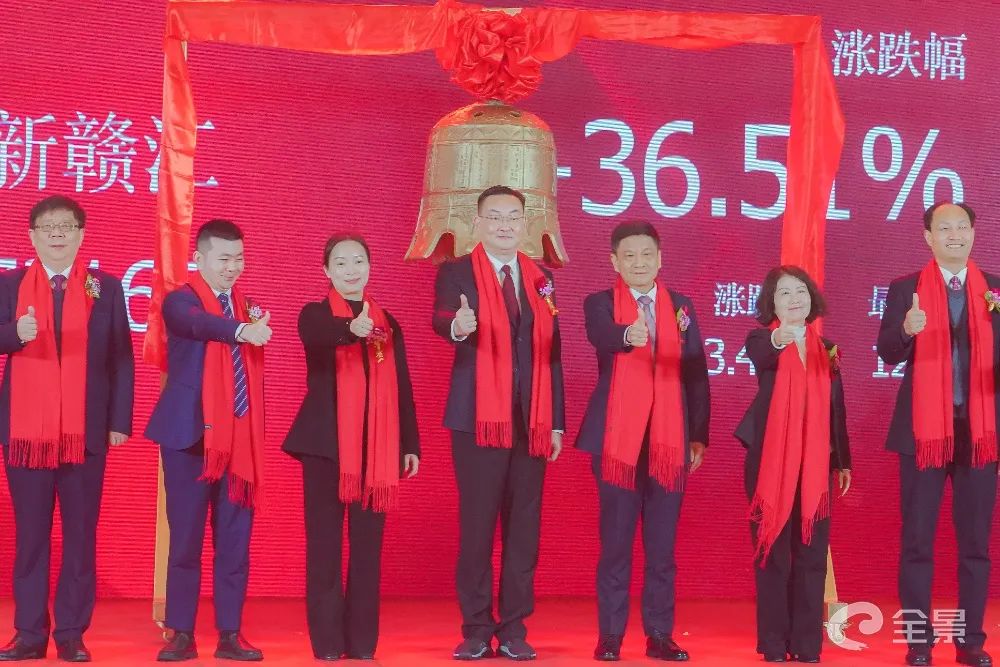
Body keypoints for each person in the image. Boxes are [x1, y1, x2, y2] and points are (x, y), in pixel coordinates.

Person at [432, 185, 565, 661]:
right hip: (477, 420)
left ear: (525, 224)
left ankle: (513, 628)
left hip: (531, 421)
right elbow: (441, 318)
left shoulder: (541, 279)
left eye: (513, 217)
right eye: (495, 217)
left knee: (523, 529)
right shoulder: (456, 272)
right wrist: (458, 326)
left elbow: (552, 353)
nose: (505, 225)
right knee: (478, 527)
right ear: (479, 223)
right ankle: (475, 628)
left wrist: (555, 423)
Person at [0, 195, 134, 663]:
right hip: (26, 437)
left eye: (66, 225)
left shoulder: (105, 287)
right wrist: (14, 334)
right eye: (47, 226)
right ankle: (29, 633)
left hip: (86, 434)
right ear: (32, 236)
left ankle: (72, 633)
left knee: (80, 537)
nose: (57, 233)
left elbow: (121, 357)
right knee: (31, 537)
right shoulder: (9, 284)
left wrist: (118, 421)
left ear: (81, 234)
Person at [282, 234, 420, 660]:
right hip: (325, 448)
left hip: (377, 449)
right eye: (341, 263)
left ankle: (362, 644)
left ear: (370, 266)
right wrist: (350, 328)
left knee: (367, 552)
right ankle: (327, 643)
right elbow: (316, 335)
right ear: (326, 271)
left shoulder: (387, 321)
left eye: (358, 261)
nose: (351, 270)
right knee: (324, 548)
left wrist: (409, 443)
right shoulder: (315, 314)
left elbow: (402, 385)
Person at [576, 221, 709, 662]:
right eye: (629, 255)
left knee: (661, 548)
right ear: (614, 262)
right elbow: (599, 335)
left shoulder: (681, 307)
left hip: (669, 441)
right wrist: (626, 336)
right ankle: (611, 635)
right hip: (617, 442)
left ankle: (659, 635)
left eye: (646, 254)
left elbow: (696, 372)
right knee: (616, 544)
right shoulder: (600, 303)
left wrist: (698, 436)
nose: (639, 262)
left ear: (660, 258)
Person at [145, 219, 272, 662]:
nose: (232, 267)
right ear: (199, 258)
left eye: (239, 258)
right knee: (185, 541)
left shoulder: (248, 306)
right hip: (189, 438)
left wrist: (247, 325)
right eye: (224, 259)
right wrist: (240, 331)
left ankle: (230, 634)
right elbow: (197, 325)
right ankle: (181, 632)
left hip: (237, 440)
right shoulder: (180, 301)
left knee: (235, 543)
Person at [878, 202, 997, 667]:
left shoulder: (995, 289)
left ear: (973, 233)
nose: (954, 235)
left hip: (979, 434)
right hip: (922, 433)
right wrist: (906, 331)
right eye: (944, 228)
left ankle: (970, 643)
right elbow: (888, 351)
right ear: (928, 237)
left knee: (976, 546)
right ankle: (918, 643)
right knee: (917, 541)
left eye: (962, 227)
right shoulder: (905, 289)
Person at [735, 265, 851, 663]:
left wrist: (843, 461)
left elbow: (837, 410)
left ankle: (806, 644)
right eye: (784, 293)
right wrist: (779, 338)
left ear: (811, 298)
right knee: (774, 553)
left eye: (800, 291)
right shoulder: (761, 339)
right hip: (771, 465)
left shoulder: (827, 348)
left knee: (812, 556)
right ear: (772, 303)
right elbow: (761, 353)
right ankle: (772, 642)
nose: (794, 299)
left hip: (816, 466)